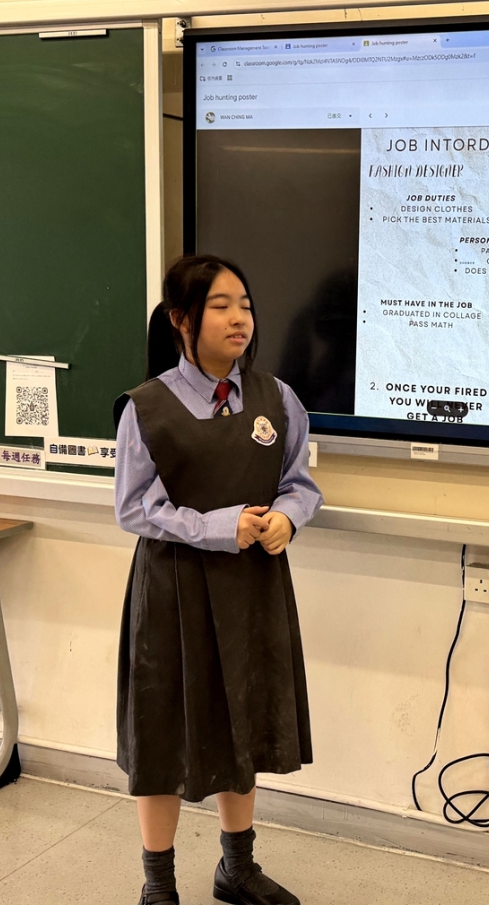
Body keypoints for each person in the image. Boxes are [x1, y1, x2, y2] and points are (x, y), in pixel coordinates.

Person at [113, 254, 323, 905]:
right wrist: (216, 526)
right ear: (181, 320)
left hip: (253, 588)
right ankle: (158, 884)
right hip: (172, 590)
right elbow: (133, 508)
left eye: (246, 306)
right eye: (221, 306)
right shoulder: (147, 407)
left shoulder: (277, 398)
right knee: (163, 734)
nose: (240, 319)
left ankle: (237, 869)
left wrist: (289, 517)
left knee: (245, 721)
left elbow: (299, 482)